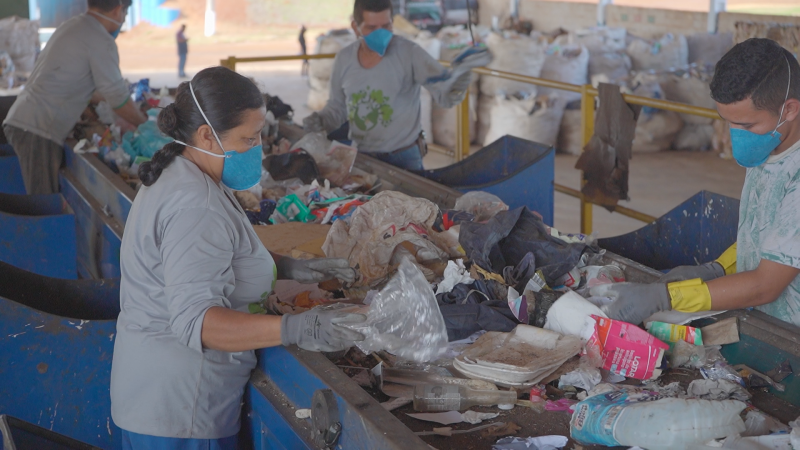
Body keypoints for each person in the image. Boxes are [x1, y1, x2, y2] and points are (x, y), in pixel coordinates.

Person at [109, 67, 365, 449]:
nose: (258, 147)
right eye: (249, 138)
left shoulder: (187, 173)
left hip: (156, 399)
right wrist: (296, 329)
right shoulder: (196, 204)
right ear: (206, 135)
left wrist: (286, 266)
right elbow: (198, 323)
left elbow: (212, 257)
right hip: (182, 413)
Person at [594, 38, 800, 328]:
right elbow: (764, 233)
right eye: (728, 122)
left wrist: (666, 297)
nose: (735, 136)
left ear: (789, 109)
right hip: (766, 317)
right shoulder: (772, 144)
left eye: (747, 126)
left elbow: (765, 285)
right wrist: (717, 268)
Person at [302, 0, 487, 171]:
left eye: (386, 25)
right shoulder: (344, 59)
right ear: (355, 27)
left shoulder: (409, 53)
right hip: (362, 157)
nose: (381, 33)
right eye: (372, 28)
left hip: (405, 156)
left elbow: (445, 95)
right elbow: (337, 106)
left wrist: (460, 77)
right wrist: (321, 121)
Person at [2, 0, 147, 195]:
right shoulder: (100, 40)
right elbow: (118, 99)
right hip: (38, 129)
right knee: (43, 201)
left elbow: (74, 83)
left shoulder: (72, 27)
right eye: (125, 15)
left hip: (26, 120)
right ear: (118, 10)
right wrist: (145, 125)